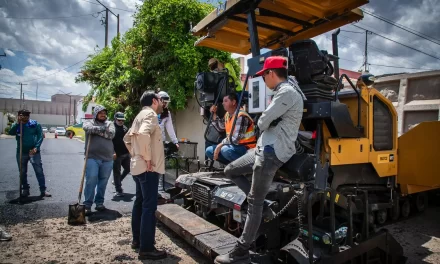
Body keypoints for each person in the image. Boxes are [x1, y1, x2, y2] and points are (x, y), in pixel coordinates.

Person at [214, 56, 305, 264]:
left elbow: (263, 120)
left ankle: (241, 252)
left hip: (271, 153)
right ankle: (264, 206)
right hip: (262, 148)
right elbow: (264, 120)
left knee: (253, 202)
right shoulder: (284, 92)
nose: (263, 80)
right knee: (230, 170)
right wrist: (264, 121)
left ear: (270, 73)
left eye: (263, 76)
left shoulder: (287, 92)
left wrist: (263, 121)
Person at [123, 90, 167, 260]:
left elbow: (127, 139)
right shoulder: (150, 114)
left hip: (137, 167)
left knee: (140, 203)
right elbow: (142, 135)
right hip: (149, 169)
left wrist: (136, 155)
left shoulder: (139, 115)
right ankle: (147, 248)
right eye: (161, 100)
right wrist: (147, 158)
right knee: (149, 207)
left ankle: (137, 241)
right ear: (155, 100)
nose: (163, 104)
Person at [8, 109, 51, 197]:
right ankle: (25, 189)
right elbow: (10, 132)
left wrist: (36, 147)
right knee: (22, 172)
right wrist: (17, 123)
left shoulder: (35, 124)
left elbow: (40, 136)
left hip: (33, 151)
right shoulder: (17, 125)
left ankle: (43, 190)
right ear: (19, 116)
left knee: (39, 170)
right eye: (22, 116)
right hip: (21, 151)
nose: (24, 118)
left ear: (28, 116)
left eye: (26, 116)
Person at [206, 93, 256, 165]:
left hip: (246, 147)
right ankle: (231, 167)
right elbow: (220, 128)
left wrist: (220, 145)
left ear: (233, 102)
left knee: (225, 150)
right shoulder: (227, 115)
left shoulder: (241, 116)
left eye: (226, 101)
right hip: (234, 146)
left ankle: (247, 168)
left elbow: (236, 139)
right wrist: (214, 114)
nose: (223, 103)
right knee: (209, 151)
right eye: (223, 101)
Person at [82, 105, 115, 215]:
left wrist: (97, 131)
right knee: (91, 180)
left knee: (103, 181)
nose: (103, 115)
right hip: (92, 157)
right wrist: (101, 130)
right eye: (100, 113)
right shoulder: (89, 122)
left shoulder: (109, 123)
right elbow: (87, 128)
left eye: (104, 113)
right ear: (96, 114)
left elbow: (111, 134)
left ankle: (99, 202)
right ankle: (87, 205)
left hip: (107, 158)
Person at [112, 112, 130, 197]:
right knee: (117, 172)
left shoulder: (125, 128)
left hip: (126, 153)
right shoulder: (111, 128)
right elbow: (109, 142)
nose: (121, 122)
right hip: (117, 154)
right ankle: (118, 190)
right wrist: (113, 152)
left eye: (122, 120)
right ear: (115, 119)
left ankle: (118, 181)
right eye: (119, 120)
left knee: (128, 169)